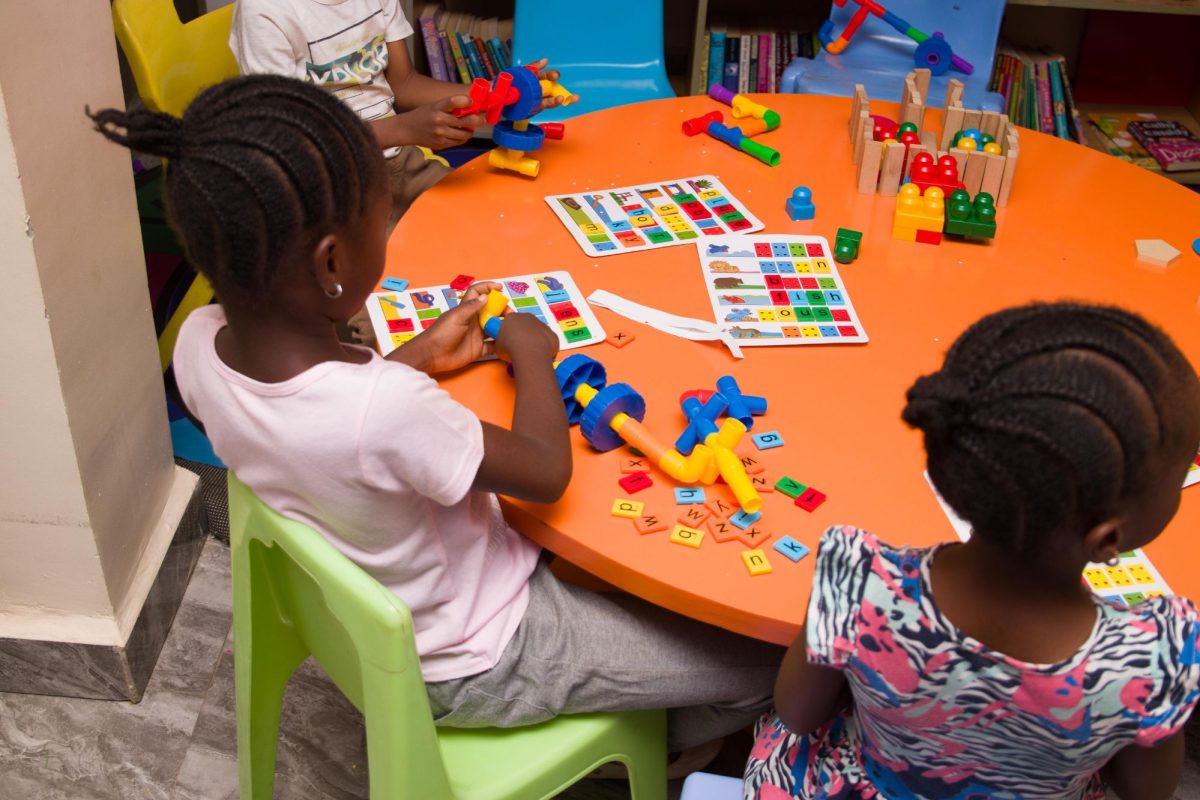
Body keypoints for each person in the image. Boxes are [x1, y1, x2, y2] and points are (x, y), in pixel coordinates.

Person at [89, 74, 782, 770]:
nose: (386, 220)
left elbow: (323, 429)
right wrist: (532, 352)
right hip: (484, 653)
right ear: (333, 260)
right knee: (762, 664)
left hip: (367, 622)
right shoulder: (388, 407)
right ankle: (629, 753)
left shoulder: (197, 347)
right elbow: (545, 474)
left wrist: (413, 356)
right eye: (380, 212)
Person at [746, 302, 1200, 799]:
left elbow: (797, 713)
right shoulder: (1153, 657)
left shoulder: (859, 578)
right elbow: (1147, 793)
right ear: (1107, 538)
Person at [230, 0, 573, 229]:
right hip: (328, 182)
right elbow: (288, 138)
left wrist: (502, 94)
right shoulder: (264, 12)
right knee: (376, 297)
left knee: (494, 225)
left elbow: (403, 82)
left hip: (401, 162)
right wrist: (402, 129)